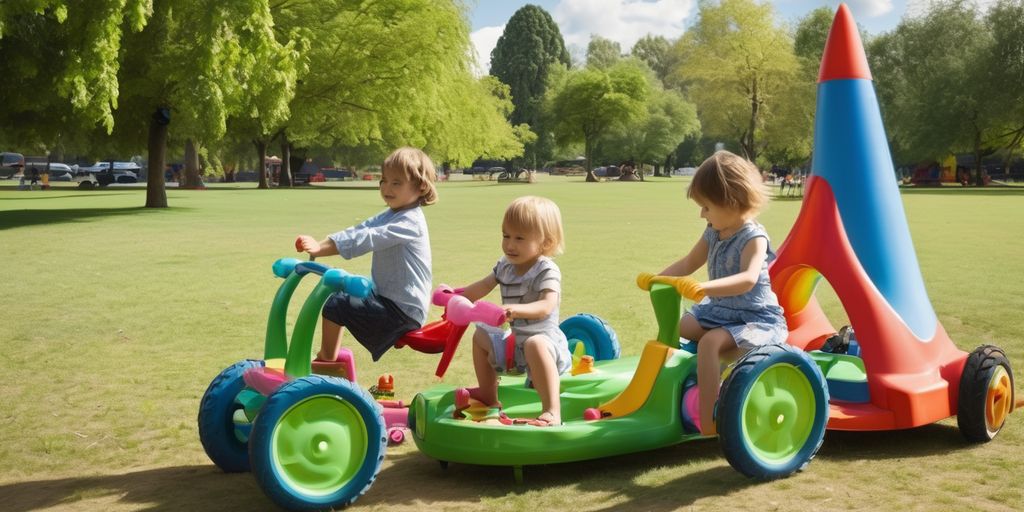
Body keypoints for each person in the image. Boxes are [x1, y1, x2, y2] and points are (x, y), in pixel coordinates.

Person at [644, 150, 786, 436]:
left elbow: (747, 279)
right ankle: (700, 375)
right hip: (720, 311)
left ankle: (710, 419)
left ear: (731, 202)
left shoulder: (753, 238)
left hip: (752, 317)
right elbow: (687, 263)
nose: (701, 214)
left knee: (709, 343)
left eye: (706, 207)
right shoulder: (712, 232)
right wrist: (657, 278)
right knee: (679, 326)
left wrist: (703, 287)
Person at [295, 147, 438, 368]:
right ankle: (332, 359)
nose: (386, 188)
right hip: (390, 300)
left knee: (337, 305)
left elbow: (368, 238)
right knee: (344, 291)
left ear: (420, 187)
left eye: (396, 183)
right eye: (384, 180)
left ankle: (326, 360)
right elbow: (360, 229)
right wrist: (318, 246)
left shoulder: (410, 223)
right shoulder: (392, 214)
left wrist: (321, 249)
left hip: (402, 312)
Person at [455, 196, 571, 427]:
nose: (510, 244)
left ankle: (552, 411)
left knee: (534, 343)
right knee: (480, 335)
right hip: (515, 344)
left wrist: (515, 309)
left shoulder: (546, 270)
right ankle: (490, 395)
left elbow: (547, 305)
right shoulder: (505, 266)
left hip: (546, 346)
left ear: (545, 242)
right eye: (506, 235)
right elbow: (483, 286)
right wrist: (456, 296)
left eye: (519, 238)